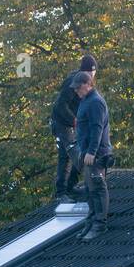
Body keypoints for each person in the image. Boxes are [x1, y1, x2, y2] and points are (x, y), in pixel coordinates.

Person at [49, 55, 99, 201]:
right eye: (91, 73)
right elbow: (60, 106)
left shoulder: (86, 81)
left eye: (93, 74)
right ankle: (61, 193)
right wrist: (74, 120)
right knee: (68, 155)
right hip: (61, 122)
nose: (92, 76)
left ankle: (71, 187)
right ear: (86, 71)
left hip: (73, 123)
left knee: (80, 152)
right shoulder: (73, 82)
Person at [74, 65, 114, 241]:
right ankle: (91, 222)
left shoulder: (96, 102)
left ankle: (100, 224)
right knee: (90, 189)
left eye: (78, 87)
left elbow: (97, 128)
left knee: (98, 187)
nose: (76, 91)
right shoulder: (86, 101)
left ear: (87, 84)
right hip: (87, 152)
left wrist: (91, 152)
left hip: (96, 154)